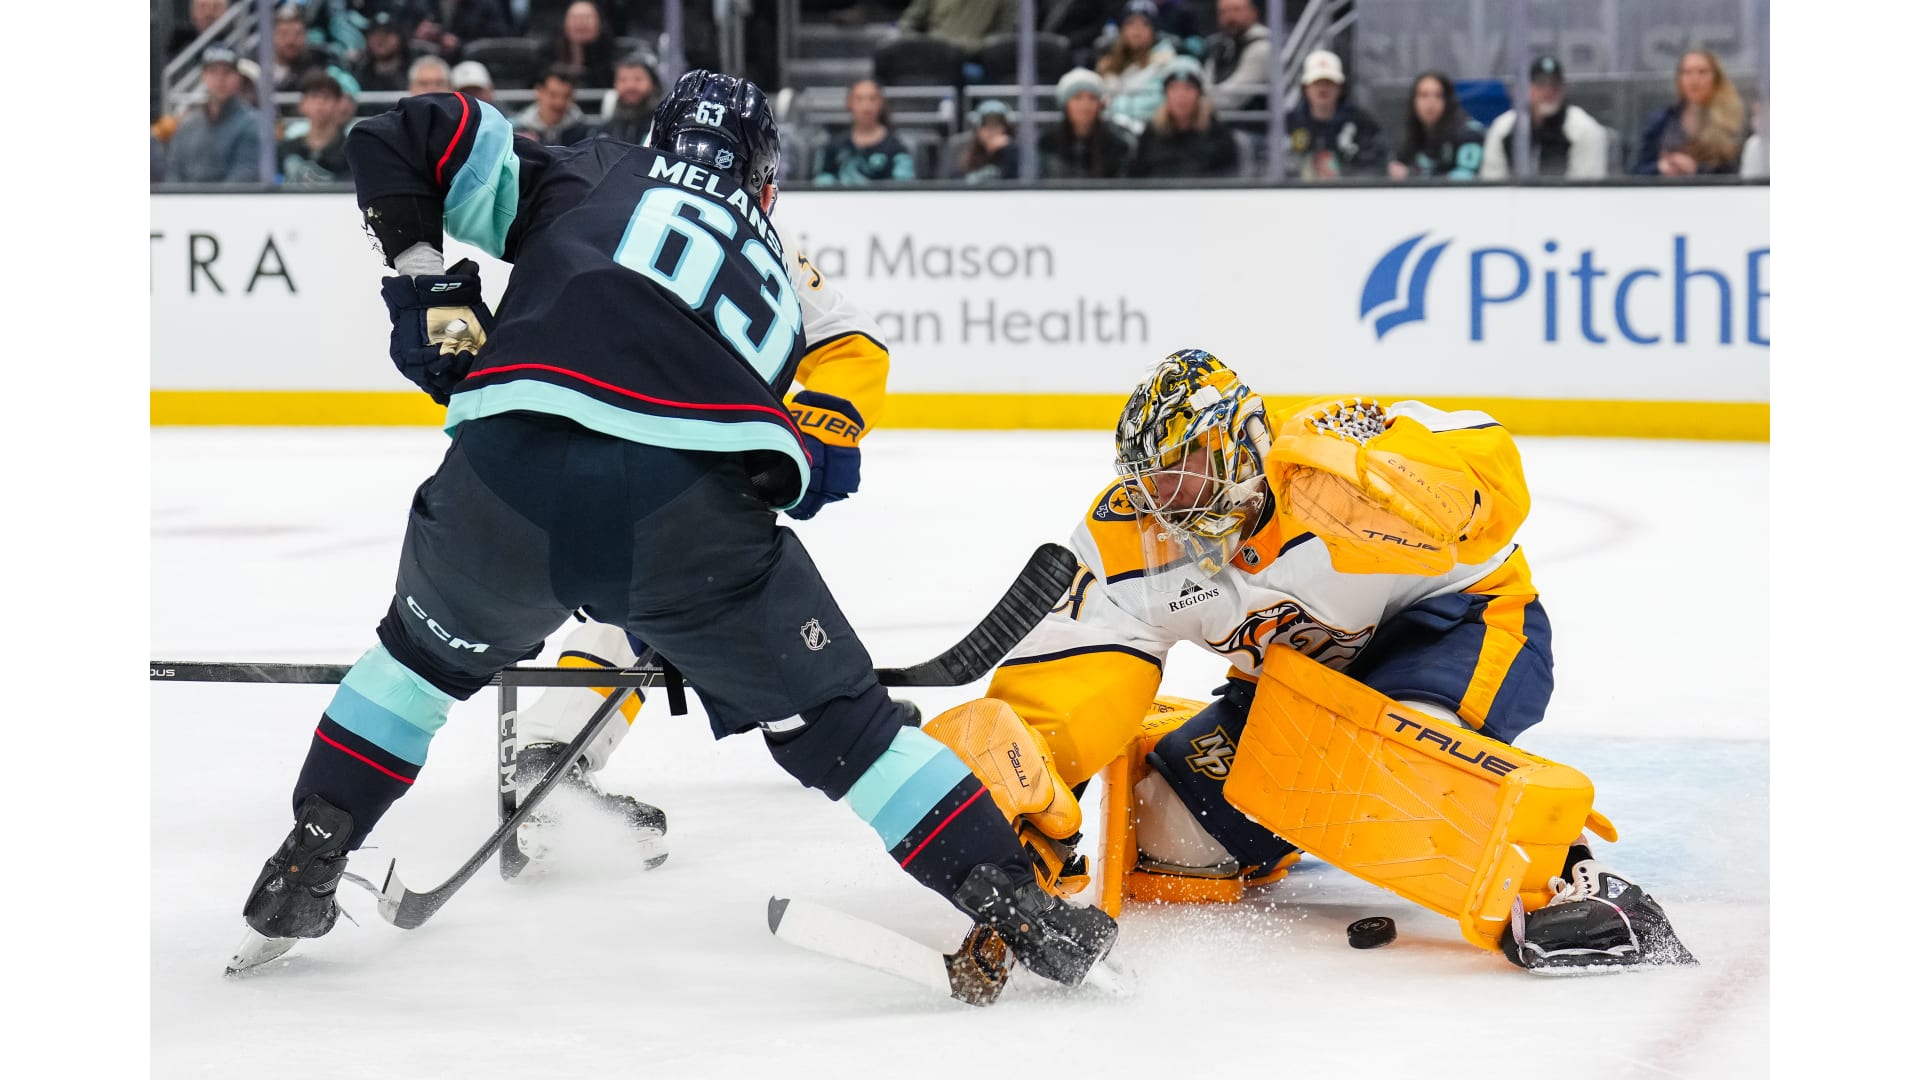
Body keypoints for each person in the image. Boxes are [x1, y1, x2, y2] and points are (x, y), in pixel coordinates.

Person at [234, 69, 1118, 989]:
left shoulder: (588, 171)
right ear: (765, 184)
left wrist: (424, 278)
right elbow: (848, 367)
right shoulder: (775, 253)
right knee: (847, 732)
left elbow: (397, 135)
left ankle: (311, 853)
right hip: (685, 517)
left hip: (505, 476)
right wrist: (812, 446)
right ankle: (1016, 900)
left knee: (413, 666)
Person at [979, 348, 1699, 973]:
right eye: (1150, 479)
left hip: (1454, 626)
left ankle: (1573, 876)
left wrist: (1425, 473)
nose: (1164, 499)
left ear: (1240, 443)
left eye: (1184, 469)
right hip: (1305, 686)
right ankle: (1306, 811)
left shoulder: (1332, 473)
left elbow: (1484, 462)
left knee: (1403, 764)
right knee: (1170, 835)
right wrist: (1026, 797)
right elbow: (1074, 675)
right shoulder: (1127, 543)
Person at [1482, 56, 1609, 180]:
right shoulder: (1503, 128)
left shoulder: (1585, 129)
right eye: (1540, 83)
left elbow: (1587, 186)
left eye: (1555, 84)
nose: (1548, 90)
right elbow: (1493, 181)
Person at [1632, 48, 1746, 177]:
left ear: (1716, 79)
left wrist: (1696, 170)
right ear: (1679, 79)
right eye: (1687, 72)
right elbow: (1637, 170)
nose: (1694, 79)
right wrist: (1659, 168)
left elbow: (1737, 172)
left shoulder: (1732, 121)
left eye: (1702, 72)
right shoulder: (1662, 120)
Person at [163, 43, 262, 183]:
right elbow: (173, 174)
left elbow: (244, 176)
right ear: (204, 77)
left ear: (238, 78)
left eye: (227, 72)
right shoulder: (187, 126)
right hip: (188, 197)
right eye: (213, 72)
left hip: (231, 198)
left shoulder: (254, 124)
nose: (220, 79)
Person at [1127, 56, 1238, 178]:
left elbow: (1228, 176)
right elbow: (1137, 176)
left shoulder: (1216, 133)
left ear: (1199, 94)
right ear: (1165, 94)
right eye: (1174, 88)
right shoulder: (1152, 132)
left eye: (1188, 88)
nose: (1181, 96)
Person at [1283, 50, 1385, 180]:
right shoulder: (1288, 124)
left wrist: (1345, 172)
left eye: (1329, 83)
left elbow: (1376, 167)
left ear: (1340, 88)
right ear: (1305, 88)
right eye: (1317, 83)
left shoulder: (1362, 124)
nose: (1323, 89)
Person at [810, 79, 917, 184]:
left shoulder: (897, 148)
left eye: (872, 99)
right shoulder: (833, 147)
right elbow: (821, 181)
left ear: (881, 104)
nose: (866, 107)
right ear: (849, 103)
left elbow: (904, 185)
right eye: (859, 99)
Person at [1388, 70, 1484, 180]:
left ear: (1448, 101)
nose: (1430, 102)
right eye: (1424, 95)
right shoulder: (1412, 134)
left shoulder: (1469, 134)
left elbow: (1466, 177)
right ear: (1413, 101)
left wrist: (1413, 176)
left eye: (1438, 96)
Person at [1097, 1, 1177, 131]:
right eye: (1131, 23)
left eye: (1144, 24)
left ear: (1154, 30)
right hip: (1110, 132)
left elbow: (1157, 102)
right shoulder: (1107, 65)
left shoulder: (1165, 63)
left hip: (1149, 131)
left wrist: (1113, 104)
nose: (1137, 30)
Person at [1040, 67, 1133, 179]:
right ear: (1065, 104)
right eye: (1077, 97)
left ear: (1100, 105)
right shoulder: (1046, 144)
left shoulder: (1118, 145)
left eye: (1092, 98)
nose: (1085, 105)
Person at [278, 72, 355, 184]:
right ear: (302, 104)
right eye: (314, 96)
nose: (320, 103)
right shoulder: (287, 149)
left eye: (327, 97)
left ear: (338, 104)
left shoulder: (350, 152)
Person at [1201, 0, 1272, 110]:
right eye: (1223, 12)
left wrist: (1197, 100)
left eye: (1236, 10)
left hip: (1252, 117)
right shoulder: (1220, 45)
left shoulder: (1263, 47)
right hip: (1219, 114)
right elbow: (1206, 81)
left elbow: (1233, 97)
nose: (1230, 17)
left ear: (1253, 13)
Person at [897, 0, 1018, 56]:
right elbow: (907, 24)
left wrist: (982, 45)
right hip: (935, 55)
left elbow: (1006, 33)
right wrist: (923, 46)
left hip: (978, 58)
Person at [541, 1, 617, 88]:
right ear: (565, 23)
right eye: (575, 18)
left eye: (587, 18)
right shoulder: (547, 55)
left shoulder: (612, 56)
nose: (580, 23)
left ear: (599, 23)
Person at [513, 65, 595, 145]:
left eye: (566, 96)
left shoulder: (585, 133)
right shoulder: (519, 132)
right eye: (553, 95)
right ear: (539, 92)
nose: (559, 103)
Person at [592, 52, 663, 144]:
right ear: (615, 85)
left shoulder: (662, 127)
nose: (630, 86)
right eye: (623, 80)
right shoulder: (605, 132)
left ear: (652, 84)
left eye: (638, 79)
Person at [411, 0, 513, 62]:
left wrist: (460, 44)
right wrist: (417, 34)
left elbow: (498, 41)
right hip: (430, 62)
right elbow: (403, 36)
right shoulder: (422, 4)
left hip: (473, 64)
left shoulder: (485, 5)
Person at [949, 98, 1019, 183]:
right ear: (977, 130)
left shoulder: (1015, 151)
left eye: (997, 125)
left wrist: (1009, 149)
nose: (992, 131)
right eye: (986, 125)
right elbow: (952, 182)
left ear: (1007, 129)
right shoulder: (961, 148)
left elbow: (1017, 181)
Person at [272, 3, 338, 92]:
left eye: (297, 34)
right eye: (284, 34)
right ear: (273, 37)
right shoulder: (258, 67)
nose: (290, 41)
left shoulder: (316, 69)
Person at [351, 12, 416, 94]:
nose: (380, 39)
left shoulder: (414, 68)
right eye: (374, 34)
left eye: (386, 34)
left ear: (399, 37)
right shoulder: (360, 69)